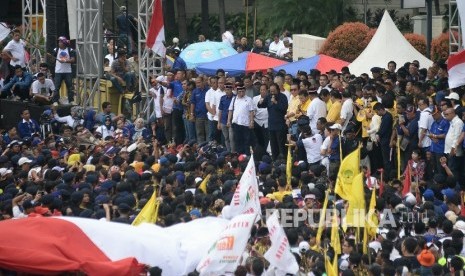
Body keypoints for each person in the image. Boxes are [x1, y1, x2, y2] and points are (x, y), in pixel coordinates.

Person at [258, 83, 288, 160]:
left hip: (280, 125)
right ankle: (275, 160)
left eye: (274, 91)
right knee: (273, 145)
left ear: (277, 90)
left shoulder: (283, 97)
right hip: (271, 125)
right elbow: (261, 105)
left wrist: (276, 102)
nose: (272, 93)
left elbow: (284, 109)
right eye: (271, 91)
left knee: (281, 145)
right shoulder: (268, 97)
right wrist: (260, 103)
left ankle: (283, 161)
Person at [227, 84, 254, 154]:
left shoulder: (249, 99)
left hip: (246, 124)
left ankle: (246, 155)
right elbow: (230, 110)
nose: (241, 93)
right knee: (237, 140)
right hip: (236, 123)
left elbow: (251, 111)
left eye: (243, 91)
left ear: (245, 91)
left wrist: (251, 122)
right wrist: (228, 121)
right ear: (237, 91)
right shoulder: (234, 99)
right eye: (240, 92)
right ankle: (240, 155)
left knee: (247, 141)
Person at [51, 36, 76, 105]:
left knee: (70, 87)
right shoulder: (55, 50)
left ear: (64, 43)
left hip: (68, 71)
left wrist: (65, 61)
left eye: (60, 42)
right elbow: (52, 60)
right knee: (56, 87)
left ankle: (71, 100)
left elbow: (73, 59)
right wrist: (51, 57)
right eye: (59, 42)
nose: (59, 43)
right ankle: (55, 101)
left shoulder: (70, 50)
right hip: (58, 71)